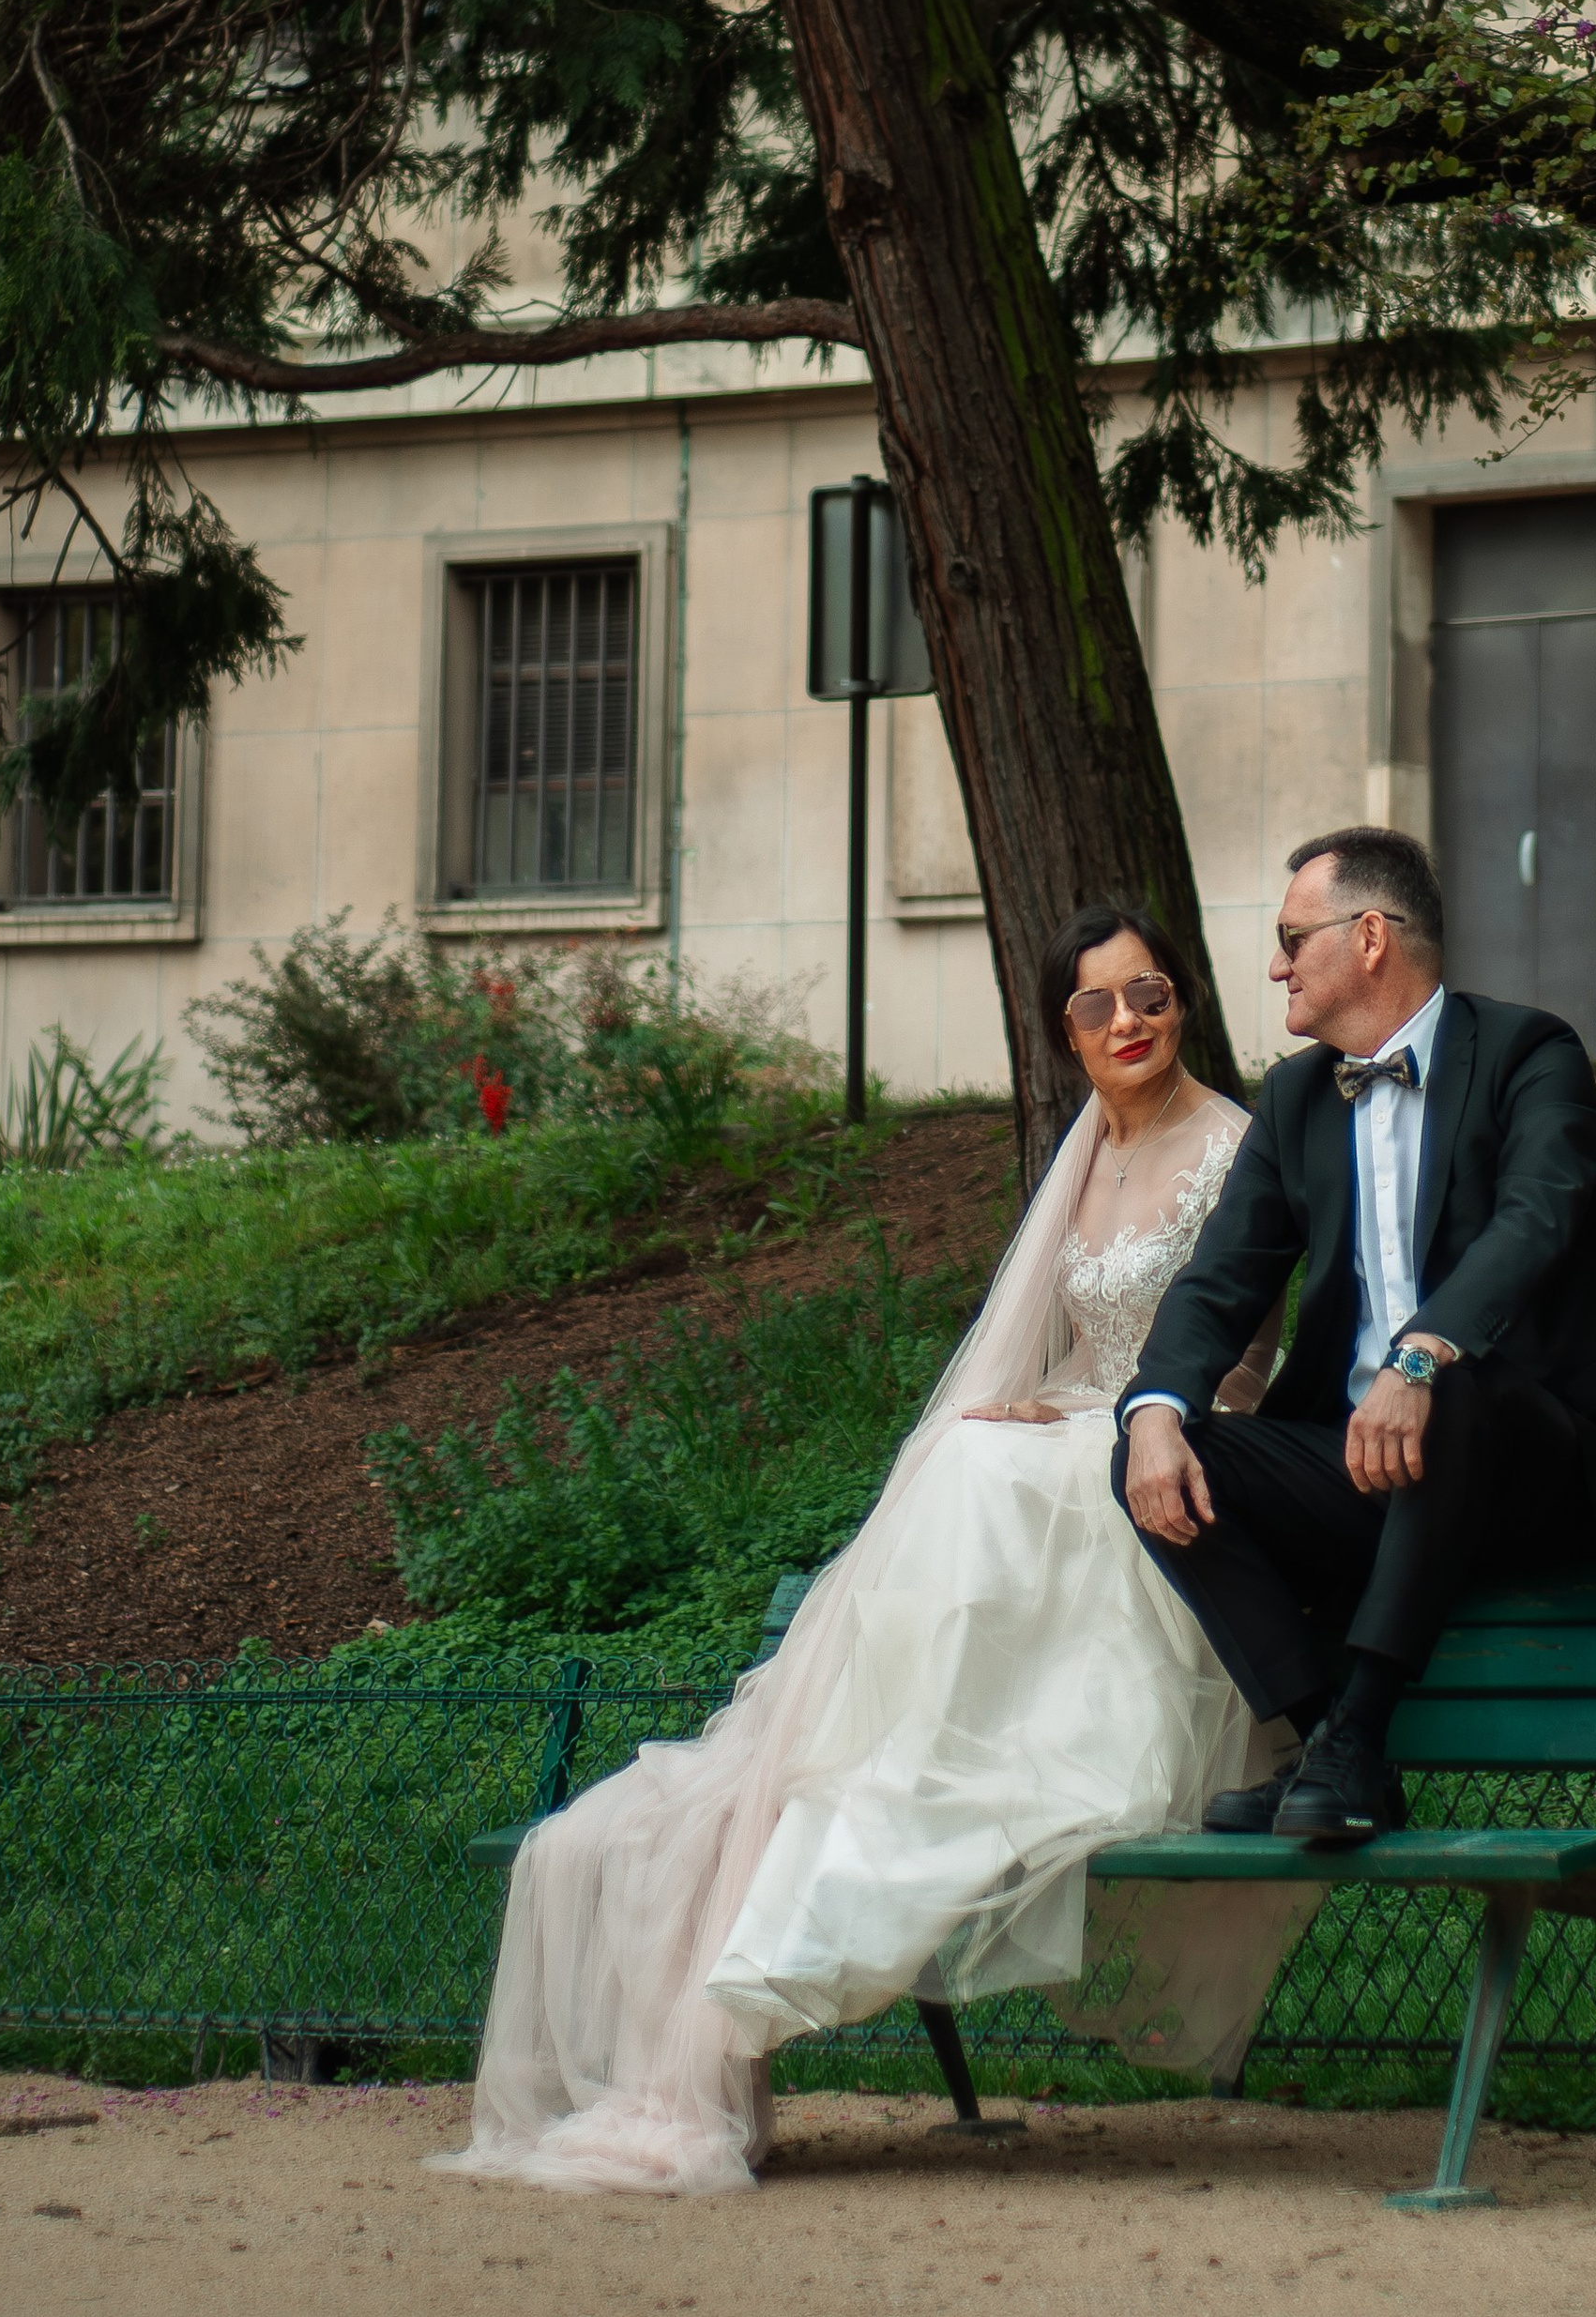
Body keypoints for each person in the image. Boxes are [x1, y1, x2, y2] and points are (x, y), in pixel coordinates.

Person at [437, 902, 1291, 2195]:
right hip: (1079, 1437)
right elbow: (1071, 1343)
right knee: (973, 1452)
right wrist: (1051, 1397)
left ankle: (920, 1763)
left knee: (989, 1469)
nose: (1129, 1021)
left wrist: (1100, 1415)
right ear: (1063, 1029)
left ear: (1184, 1004)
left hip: (1185, 1458)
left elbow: (1241, 1353)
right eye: (1098, 1003)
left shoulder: (1237, 1146)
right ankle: (869, 1773)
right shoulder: (1081, 1154)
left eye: (1151, 994)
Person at [1116, 825, 1596, 1845]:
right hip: (1370, 1472)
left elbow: (1540, 1215)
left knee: (1454, 1383)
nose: (1274, 963)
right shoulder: (1293, 1099)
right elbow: (1220, 1279)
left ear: (1368, 936)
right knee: (1158, 1452)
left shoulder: (1526, 1052)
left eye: (1293, 937)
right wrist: (1155, 1410)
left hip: (1526, 1468)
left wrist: (1422, 1352)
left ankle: (1359, 1729)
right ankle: (1323, 1738)